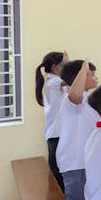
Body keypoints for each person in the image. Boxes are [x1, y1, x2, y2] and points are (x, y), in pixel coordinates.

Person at [56, 59, 99, 200]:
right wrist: (83, 69)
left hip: (84, 162)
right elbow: (75, 94)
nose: (95, 78)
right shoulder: (72, 100)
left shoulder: (87, 99)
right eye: (91, 74)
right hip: (76, 163)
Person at [35, 50, 68, 188]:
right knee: (59, 175)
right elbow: (69, 80)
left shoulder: (55, 82)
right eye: (65, 65)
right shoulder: (53, 82)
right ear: (55, 67)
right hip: (56, 135)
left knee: (61, 173)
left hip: (59, 134)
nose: (68, 68)